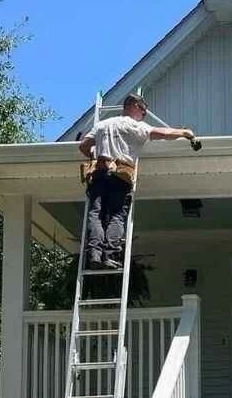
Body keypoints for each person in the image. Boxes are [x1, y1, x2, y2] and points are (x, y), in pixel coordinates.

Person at [78, 94, 195, 268]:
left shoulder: (102, 125)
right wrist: (184, 133)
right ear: (133, 106)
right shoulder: (134, 125)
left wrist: (94, 156)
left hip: (100, 173)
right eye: (143, 110)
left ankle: (94, 254)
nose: (144, 114)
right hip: (120, 175)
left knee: (96, 214)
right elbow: (162, 133)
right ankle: (110, 253)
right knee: (117, 215)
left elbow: (83, 146)